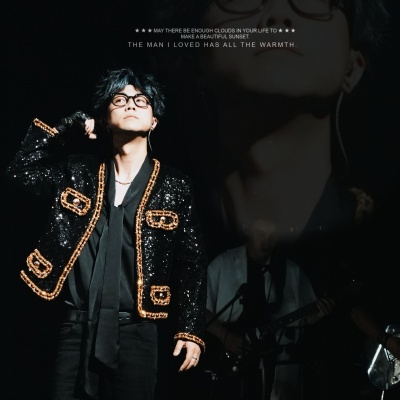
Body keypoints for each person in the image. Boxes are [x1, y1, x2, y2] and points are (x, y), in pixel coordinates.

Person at [5, 67, 208, 400]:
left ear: (154, 121)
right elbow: (20, 173)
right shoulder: (77, 171)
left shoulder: (174, 185)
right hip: (75, 326)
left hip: (137, 330)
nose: (130, 104)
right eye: (119, 99)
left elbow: (192, 261)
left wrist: (189, 328)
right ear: (104, 119)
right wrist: (69, 127)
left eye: (141, 100)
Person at [204, 218, 335, 400]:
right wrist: (224, 336)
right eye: (261, 234)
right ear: (248, 231)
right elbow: (200, 310)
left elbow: (301, 318)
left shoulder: (290, 270)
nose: (267, 242)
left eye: (273, 236)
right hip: (227, 362)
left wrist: (317, 315)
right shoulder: (223, 264)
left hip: (274, 363)